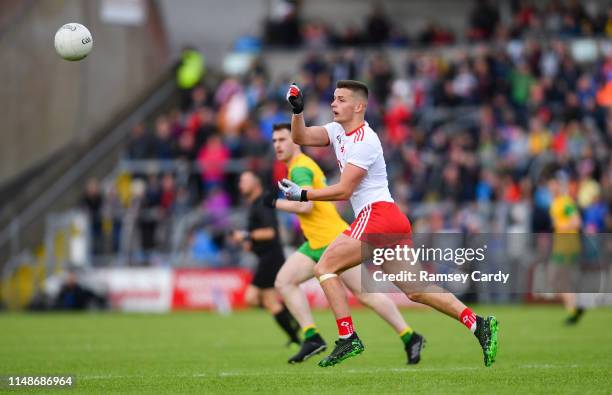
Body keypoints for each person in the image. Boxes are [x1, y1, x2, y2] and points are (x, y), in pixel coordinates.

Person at [279, 80, 499, 367]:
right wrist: (297, 111)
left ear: (359, 106)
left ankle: (348, 337)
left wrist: (304, 193)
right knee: (417, 289)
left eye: (341, 99)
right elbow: (301, 137)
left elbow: (344, 191)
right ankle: (478, 324)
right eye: (334, 98)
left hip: (377, 216)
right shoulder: (337, 131)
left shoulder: (365, 140)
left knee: (324, 267)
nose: (334, 104)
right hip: (391, 218)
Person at [269, 123, 425, 364]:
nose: (278, 145)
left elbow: (305, 205)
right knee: (284, 281)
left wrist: (274, 203)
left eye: (282, 139)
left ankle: (409, 336)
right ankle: (311, 336)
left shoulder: (300, 169)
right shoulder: (299, 167)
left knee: (367, 295)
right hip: (315, 241)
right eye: (275, 141)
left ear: (296, 141)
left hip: (331, 238)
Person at [232, 171, 301, 346]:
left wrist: (246, 235)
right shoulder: (254, 204)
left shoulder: (262, 204)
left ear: (256, 184)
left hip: (271, 257)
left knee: (252, 298)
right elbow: (259, 235)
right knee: (270, 301)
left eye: (244, 181)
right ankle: (296, 334)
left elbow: (270, 232)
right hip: (267, 256)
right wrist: (249, 242)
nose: (240, 184)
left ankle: (295, 318)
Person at [546, 171, 585, 325]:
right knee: (562, 281)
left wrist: (561, 226)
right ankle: (574, 311)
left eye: (553, 185)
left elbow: (577, 221)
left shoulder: (565, 202)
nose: (550, 188)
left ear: (558, 185)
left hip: (567, 244)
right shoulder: (555, 203)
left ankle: (574, 309)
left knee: (555, 278)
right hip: (560, 245)